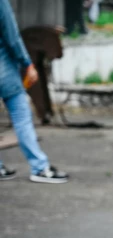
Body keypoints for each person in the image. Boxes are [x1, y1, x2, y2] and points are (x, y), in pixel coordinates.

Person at [0, 0, 69, 183]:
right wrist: (27, 63)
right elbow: (12, 36)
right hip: (4, 72)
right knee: (22, 115)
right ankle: (39, 167)